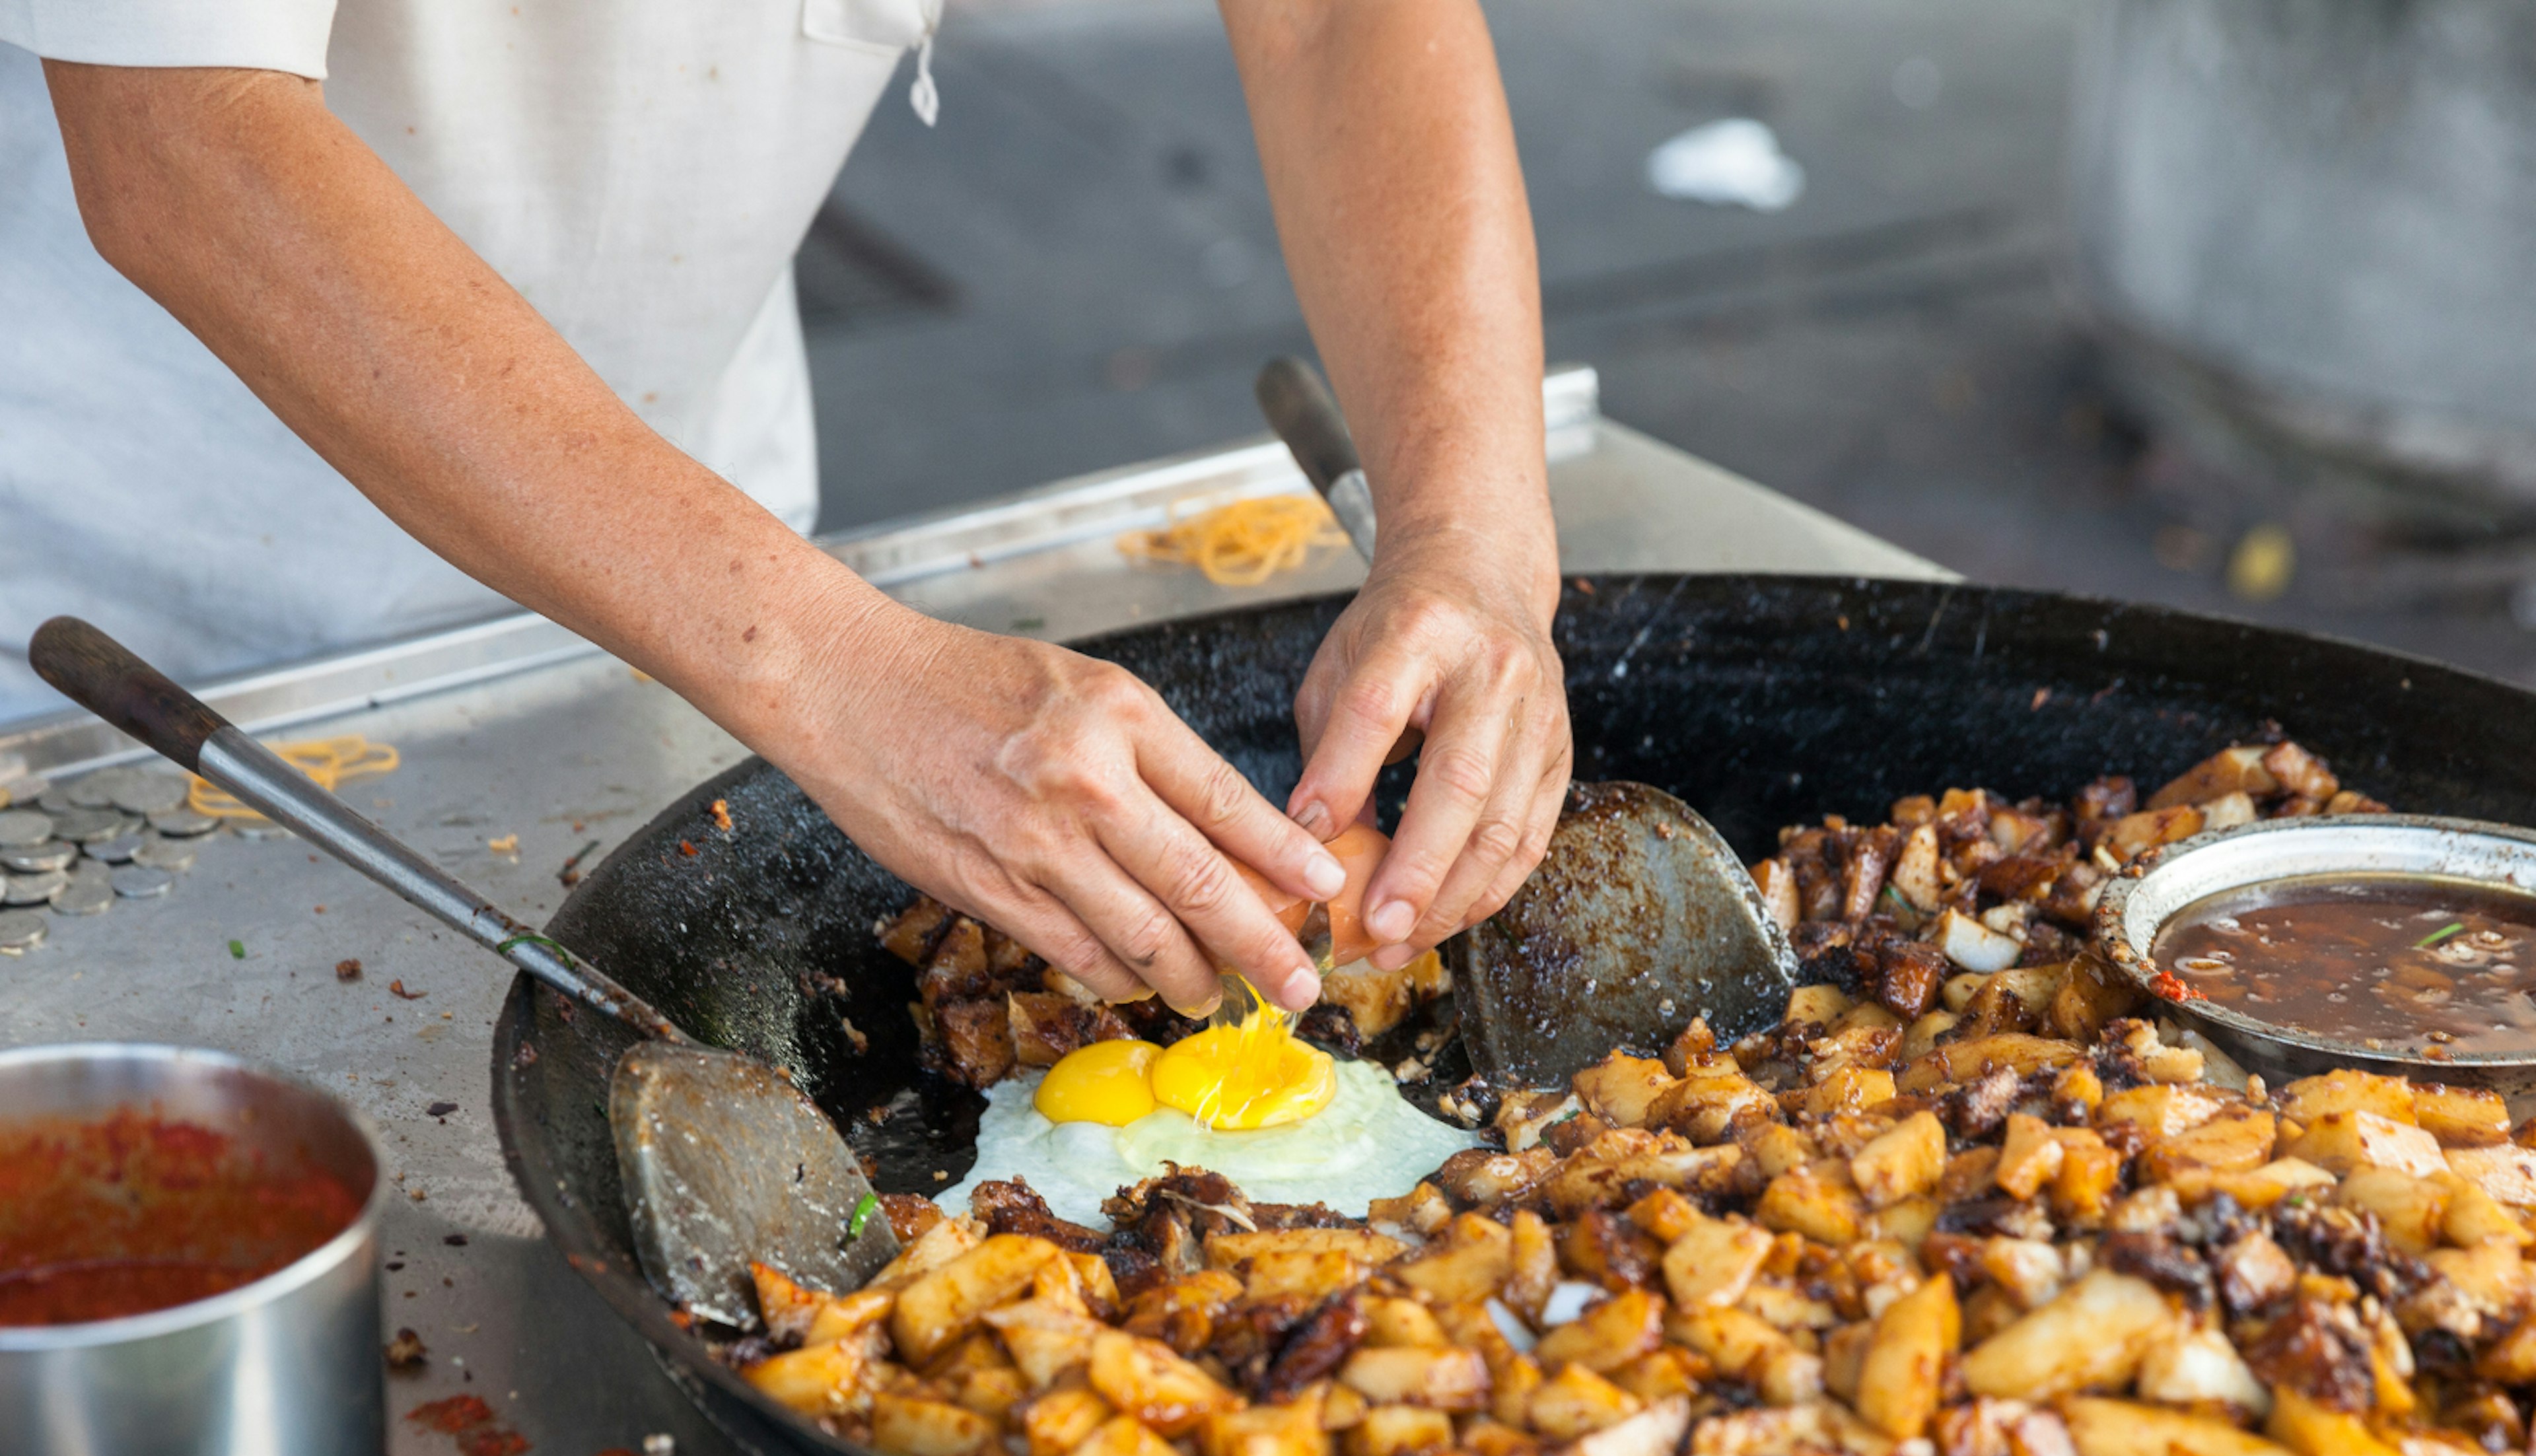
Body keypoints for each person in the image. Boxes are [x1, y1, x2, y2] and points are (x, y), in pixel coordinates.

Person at [0, 1, 1570, 1020]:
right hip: (137, 614)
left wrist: (1473, 535)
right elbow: (180, 136)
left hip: (695, 559)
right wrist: (834, 668)